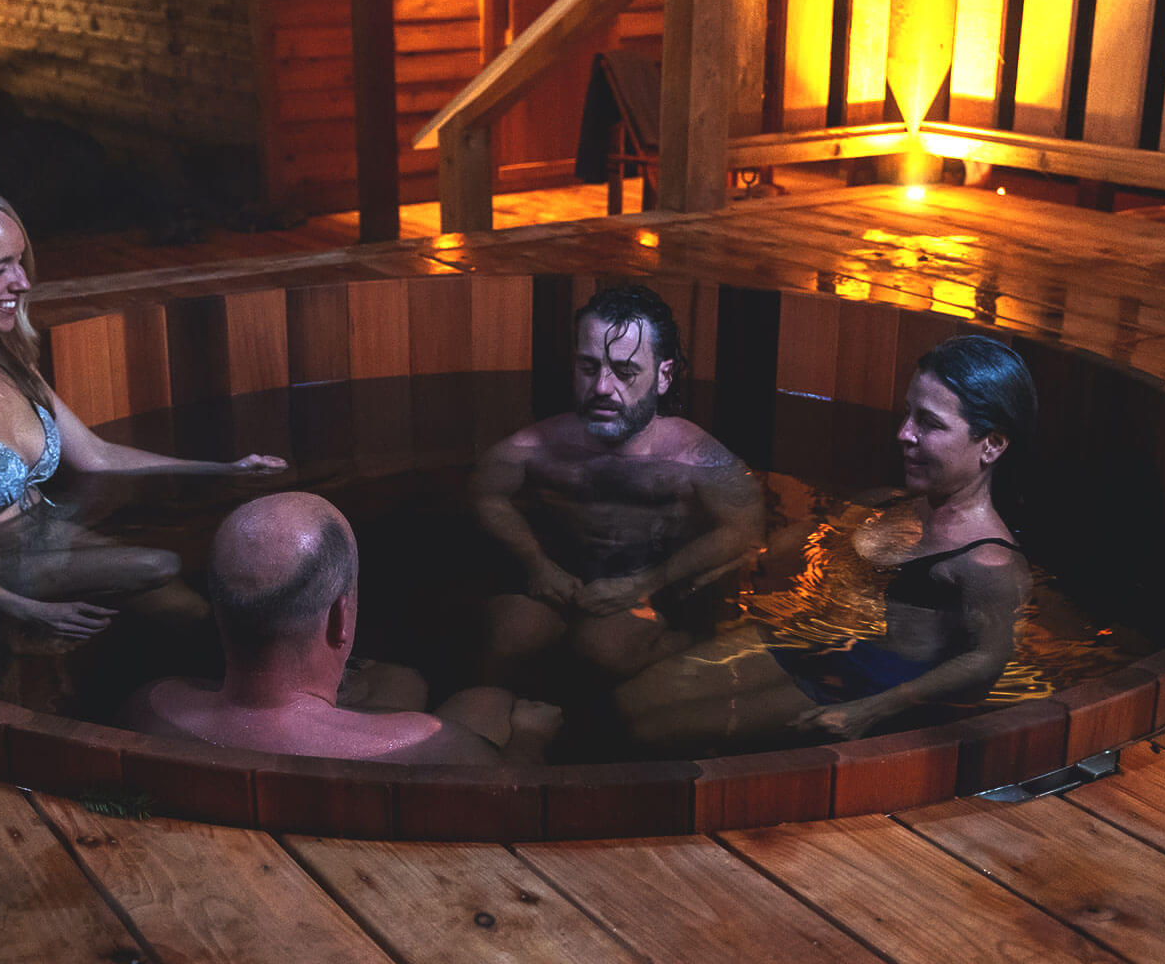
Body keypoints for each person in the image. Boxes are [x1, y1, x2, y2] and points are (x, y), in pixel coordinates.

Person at [0, 179, 288, 648]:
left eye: (20, 262)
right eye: (1, 268)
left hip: (46, 536)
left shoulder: (5, 359)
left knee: (196, 610)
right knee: (161, 565)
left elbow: (97, 456)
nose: (22, 282)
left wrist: (224, 470)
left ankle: (282, 685)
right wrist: (27, 610)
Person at [614, 334, 1037, 747]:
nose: (904, 434)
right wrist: (746, 558)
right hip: (812, 639)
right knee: (626, 703)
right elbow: (817, 536)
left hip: (862, 685)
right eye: (908, 414)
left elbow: (985, 662)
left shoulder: (988, 564)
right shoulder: (890, 503)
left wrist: (873, 709)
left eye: (928, 423)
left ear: (992, 444)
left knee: (643, 733)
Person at [120, 492, 562, 764]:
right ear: (339, 617)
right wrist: (530, 736)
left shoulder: (151, 707)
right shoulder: (437, 747)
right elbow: (516, 792)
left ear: (218, 609)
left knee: (399, 683)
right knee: (489, 702)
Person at [471, 285, 763, 683]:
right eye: (589, 368)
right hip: (560, 572)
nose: (603, 388)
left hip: (655, 582)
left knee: (607, 649)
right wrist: (537, 564)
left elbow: (745, 527)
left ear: (663, 376)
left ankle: (685, 645)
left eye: (624, 372)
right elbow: (488, 495)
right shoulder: (534, 447)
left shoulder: (695, 458)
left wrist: (649, 581)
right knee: (511, 637)